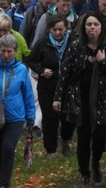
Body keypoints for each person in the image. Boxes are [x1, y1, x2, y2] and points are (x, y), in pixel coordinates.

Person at [53, 13, 106, 184]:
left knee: (99, 137)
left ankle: (96, 165)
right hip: (80, 99)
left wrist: (103, 61)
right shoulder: (76, 46)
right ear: (84, 27)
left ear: (101, 27)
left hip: (102, 99)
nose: (92, 27)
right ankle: (84, 171)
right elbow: (65, 73)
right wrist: (58, 98)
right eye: (89, 24)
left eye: (96, 24)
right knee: (83, 138)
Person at [0, 34, 36, 188]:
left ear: (15, 51)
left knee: (8, 147)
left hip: (15, 116)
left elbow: (27, 94)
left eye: (10, 51)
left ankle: (4, 184)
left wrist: (30, 117)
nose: (6, 55)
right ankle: (3, 176)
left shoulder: (21, 69)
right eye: (3, 51)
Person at [25, 14, 77, 156]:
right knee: (49, 118)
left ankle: (66, 140)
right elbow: (30, 60)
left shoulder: (73, 42)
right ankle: (51, 149)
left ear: (66, 28)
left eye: (61, 29)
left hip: (68, 86)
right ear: (49, 30)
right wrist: (41, 70)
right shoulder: (43, 43)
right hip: (47, 86)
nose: (58, 33)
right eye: (54, 30)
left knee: (67, 117)